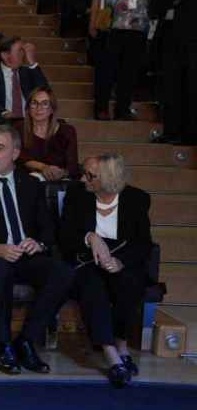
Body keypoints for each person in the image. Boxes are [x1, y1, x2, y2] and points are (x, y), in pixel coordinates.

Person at [0, 124, 74, 375]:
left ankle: (27, 340)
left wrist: (38, 243)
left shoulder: (30, 184)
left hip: (25, 255)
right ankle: (4, 344)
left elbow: (48, 228)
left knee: (62, 273)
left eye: (0, 148)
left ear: (15, 153)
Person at [60, 154, 151, 387]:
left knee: (129, 283)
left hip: (121, 259)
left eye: (90, 176)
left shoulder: (137, 199)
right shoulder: (77, 195)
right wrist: (89, 237)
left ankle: (121, 344)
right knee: (92, 286)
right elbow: (64, 237)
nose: (83, 179)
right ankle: (111, 355)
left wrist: (120, 262)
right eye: (83, 172)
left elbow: (143, 244)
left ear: (109, 179)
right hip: (87, 260)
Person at [89, 0, 161, 121]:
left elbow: (157, 1)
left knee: (129, 72)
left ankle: (123, 109)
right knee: (106, 70)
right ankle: (101, 108)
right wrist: (93, 22)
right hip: (112, 26)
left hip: (139, 28)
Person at [149, 0, 196, 145]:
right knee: (170, 84)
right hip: (168, 33)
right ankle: (171, 131)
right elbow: (155, 4)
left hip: (191, 35)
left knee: (190, 83)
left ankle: (189, 133)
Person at [15, 86, 79, 181]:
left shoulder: (67, 131)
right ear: (28, 107)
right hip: (27, 181)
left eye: (45, 104)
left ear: (52, 109)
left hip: (60, 182)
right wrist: (43, 167)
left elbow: (72, 166)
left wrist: (61, 173)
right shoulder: (18, 128)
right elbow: (18, 158)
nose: (39, 108)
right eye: (34, 103)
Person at [0, 36, 48, 119]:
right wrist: (3, 112)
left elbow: (45, 92)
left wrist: (32, 63)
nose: (24, 54)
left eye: (24, 51)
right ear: (5, 55)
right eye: (20, 51)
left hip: (28, 122)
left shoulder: (29, 72)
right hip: (2, 123)